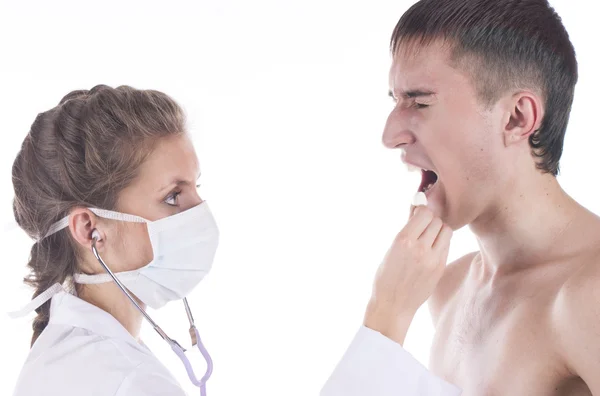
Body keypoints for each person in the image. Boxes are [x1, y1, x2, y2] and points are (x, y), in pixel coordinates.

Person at [380, 0, 599, 394]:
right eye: (395, 101)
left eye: (419, 101)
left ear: (517, 117)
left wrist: (387, 314)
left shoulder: (590, 295)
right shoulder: (450, 288)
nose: (390, 134)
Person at [10, 85, 218, 396]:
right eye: (173, 196)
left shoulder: (66, 355)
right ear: (90, 229)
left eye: (195, 187)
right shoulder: (129, 380)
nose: (199, 212)